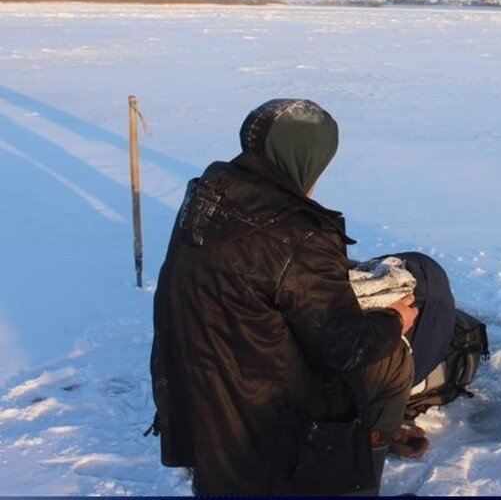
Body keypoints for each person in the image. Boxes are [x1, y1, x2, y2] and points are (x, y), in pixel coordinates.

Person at [149, 99, 427, 496]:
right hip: (260, 417)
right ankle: (350, 483)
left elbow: (258, 278)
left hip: (197, 400)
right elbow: (344, 347)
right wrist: (395, 319)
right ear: (303, 159)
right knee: (391, 362)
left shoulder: (208, 197)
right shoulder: (298, 233)